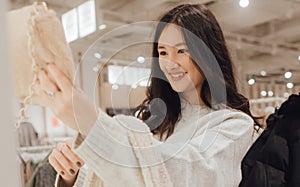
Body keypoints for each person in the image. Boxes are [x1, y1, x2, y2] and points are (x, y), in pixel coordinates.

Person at [34, 4, 261, 187]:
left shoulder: (234, 125)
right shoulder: (156, 121)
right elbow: (122, 178)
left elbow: (186, 175)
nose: (170, 63)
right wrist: (71, 174)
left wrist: (90, 123)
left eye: (182, 50)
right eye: (163, 52)